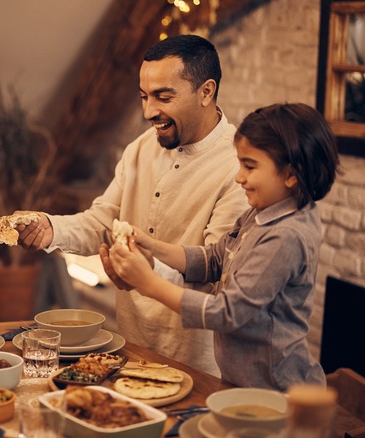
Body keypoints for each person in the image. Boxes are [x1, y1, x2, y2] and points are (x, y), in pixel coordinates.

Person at [18, 35, 247, 375]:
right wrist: (51, 228)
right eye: (143, 96)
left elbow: (217, 275)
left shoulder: (239, 166)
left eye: (163, 97)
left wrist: (146, 271)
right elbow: (101, 222)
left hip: (197, 363)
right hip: (131, 347)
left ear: (206, 92)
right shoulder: (139, 148)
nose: (148, 111)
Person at [108, 103, 340, 390]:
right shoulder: (261, 212)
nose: (239, 176)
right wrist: (152, 247)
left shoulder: (287, 236)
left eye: (250, 166)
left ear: (292, 174)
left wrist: (148, 283)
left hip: (277, 393)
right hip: (241, 384)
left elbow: (227, 313)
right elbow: (215, 259)